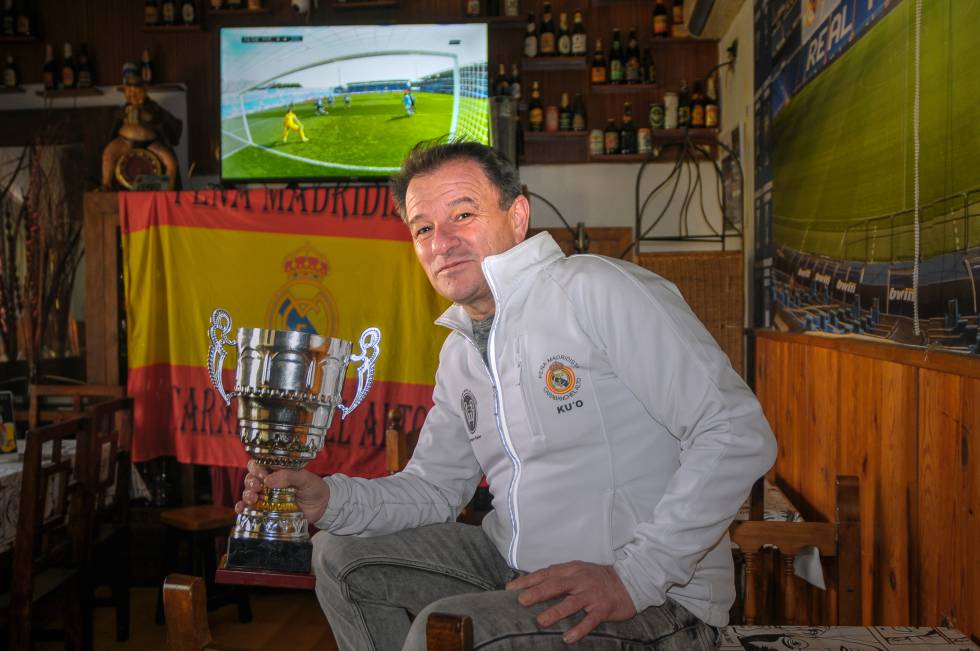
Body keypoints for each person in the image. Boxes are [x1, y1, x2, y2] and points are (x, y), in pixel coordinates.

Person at [239, 141, 777, 650]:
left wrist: (634, 578)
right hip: (517, 567)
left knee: (443, 630)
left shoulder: (596, 290)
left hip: (656, 601)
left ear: (517, 216)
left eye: (463, 215)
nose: (440, 242)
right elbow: (432, 489)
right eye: (422, 226)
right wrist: (328, 499)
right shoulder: (460, 350)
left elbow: (735, 432)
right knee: (338, 553)